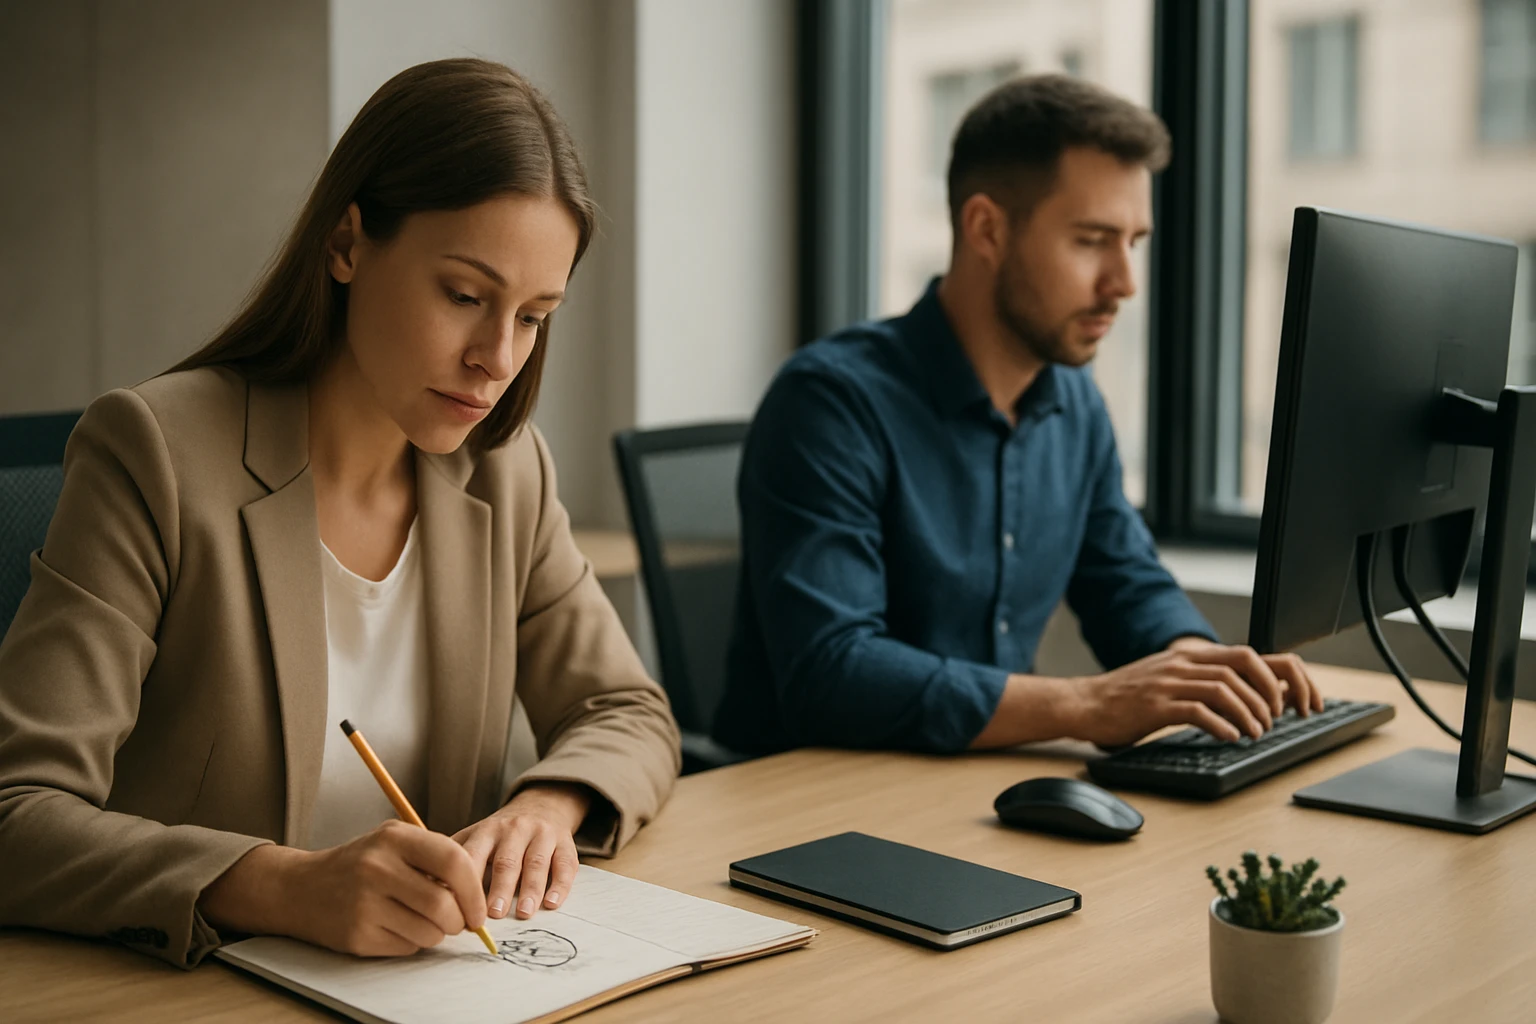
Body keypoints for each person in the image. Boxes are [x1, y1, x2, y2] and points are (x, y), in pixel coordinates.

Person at [0, 58, 680, 968]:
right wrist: (283, 887)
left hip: (436, 991)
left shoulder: (506, 471)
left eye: (533, 317)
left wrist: (545, 808)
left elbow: (628, 709)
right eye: (465, 296)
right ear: (348, 244)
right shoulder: (155, 453)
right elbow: (17, 810)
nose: (496, 357)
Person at [714, 74, 1322, 758]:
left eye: (1133, 242)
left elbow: (1125, 583)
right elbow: (832, 672)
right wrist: (1086, 704)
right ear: (987, 229)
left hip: (981, 780)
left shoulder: (1074, 402)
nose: (1124, 283)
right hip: (811, 796)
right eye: (1092, 240)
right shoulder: (830, 403)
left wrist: (1202, 671)